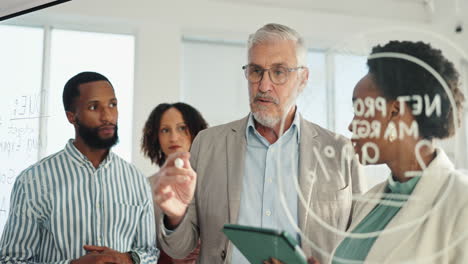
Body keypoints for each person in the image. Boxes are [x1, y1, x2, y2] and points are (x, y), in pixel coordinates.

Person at [152, 23, 366, 264]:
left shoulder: (340, 152)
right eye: (256, 71)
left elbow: (360, 249)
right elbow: (180, 249)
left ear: (303, 78)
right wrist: (175, 216)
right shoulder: (207, 144)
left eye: (279, 72)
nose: (263, 86)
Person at [329, 41, 468, 263]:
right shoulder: (369, 202)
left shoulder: (461, 204)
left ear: (395, 112)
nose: (352, 126)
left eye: (360, 110)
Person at [0, 72, 158, 263]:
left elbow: (150, 252)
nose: (107, 116)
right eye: (93, 107)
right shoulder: (32, 181)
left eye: (112, 105)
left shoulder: (136, 179)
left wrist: (127, 259)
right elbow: (12, 260)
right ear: (71, 117)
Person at [141, 102, 208, 264]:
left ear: (197, 131)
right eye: (165, 130)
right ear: (155, 137)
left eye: (182, 128)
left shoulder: (218, 180)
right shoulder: (145, 187)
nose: (173, 137)